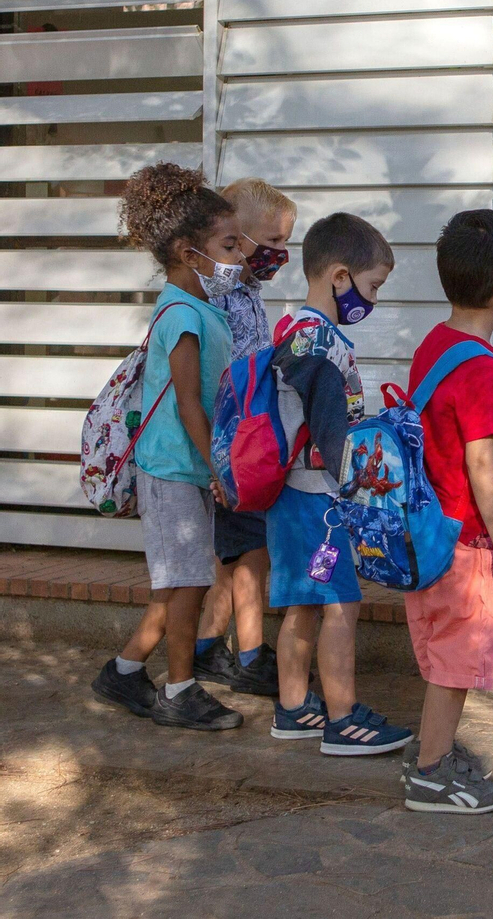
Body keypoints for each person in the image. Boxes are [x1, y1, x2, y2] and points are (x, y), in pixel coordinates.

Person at [89, 163, 245, 731]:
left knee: (183, 581)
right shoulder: (181, 314)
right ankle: (179, 690)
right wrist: (220, 469)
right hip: (172, 469)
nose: (240, 257)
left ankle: (125, 671)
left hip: (186, 468)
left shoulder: (202, 310)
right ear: (188, 251)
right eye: (228, 246)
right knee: (187, 583)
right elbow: (187, 405)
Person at [401, 209, 493, 814]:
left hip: (431, 532)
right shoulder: (481, 366)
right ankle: (431, 773)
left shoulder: (435, 344)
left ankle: (434, 749)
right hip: (467, 540)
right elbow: (483, 463)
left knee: (444, 650)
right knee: (457, 660)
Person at [265, 213, 409, 754]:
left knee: (303, 604)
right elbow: (332, 439)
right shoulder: (324, 344)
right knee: (340, 604)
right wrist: (369, 486)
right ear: (340, 276)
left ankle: (293, 707)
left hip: (289, 496)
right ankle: (343, 719)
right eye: (373, 286)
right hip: (318, 501)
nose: (373, 299)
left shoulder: (291, 330)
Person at [193, 178, 297, 697]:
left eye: (286, 242)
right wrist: (224, 460)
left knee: (232, 557)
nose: (280, 253)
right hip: (232, 451)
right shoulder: (220, 300)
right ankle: (252, 656)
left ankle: (207, 646)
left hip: (246, 447)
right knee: (252, 554)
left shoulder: (250, 295)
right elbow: (220, 383)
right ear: (237, 236)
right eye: (272, 242)